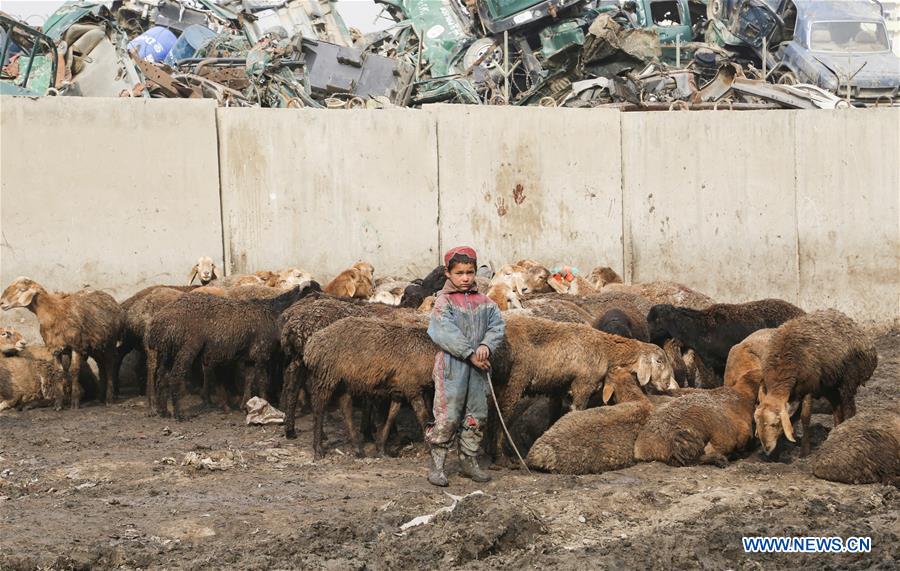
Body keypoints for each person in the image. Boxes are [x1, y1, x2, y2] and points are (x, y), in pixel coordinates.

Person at [426, 246, 506, 486]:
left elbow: (496, 326)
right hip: (452, 366)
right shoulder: (443, 302)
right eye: (459, 273)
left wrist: (486, 346)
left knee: (476, 414)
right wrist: (470, 353)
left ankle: (468, 461)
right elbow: (443, 330)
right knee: (448, 414)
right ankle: (438, 465)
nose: (465, 278)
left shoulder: (486, 302)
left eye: (470, 272)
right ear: (448, 274)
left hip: (478, 368)